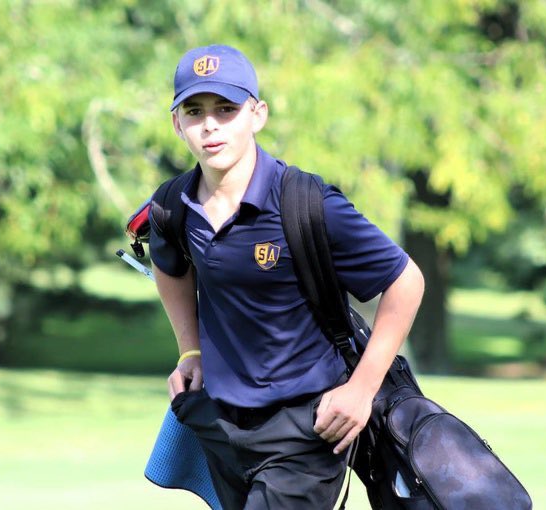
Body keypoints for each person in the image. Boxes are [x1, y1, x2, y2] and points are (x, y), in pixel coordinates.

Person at [149, 44, 424, 510]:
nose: (210, 124)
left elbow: (406, 280)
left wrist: (361, 389)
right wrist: (189, 350)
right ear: (178, 123)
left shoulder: (307, 202)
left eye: (227, 109)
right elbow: (167, 264)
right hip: (221, 423)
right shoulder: (173, 205)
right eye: (194, 111)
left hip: (307, 428)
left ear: (257, 115)